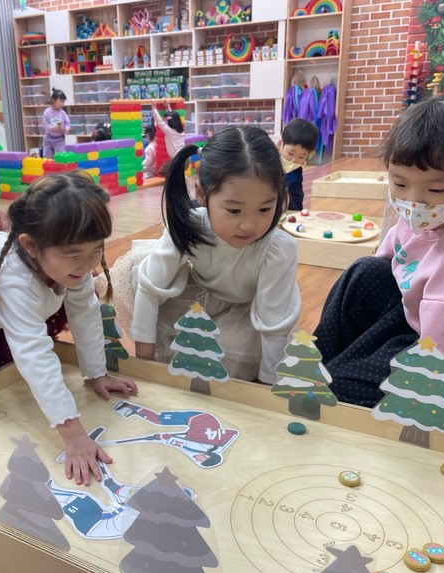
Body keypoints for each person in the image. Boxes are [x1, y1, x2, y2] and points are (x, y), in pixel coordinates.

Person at [313, 94, 444, 427]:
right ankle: (321, 364)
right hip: (422, 318)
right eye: (399, 183)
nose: (415, 202)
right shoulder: (427, 212)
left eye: (435, 190)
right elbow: (390, 258)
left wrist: (422, 409)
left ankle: (336, 379)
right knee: (364, 270)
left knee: (340, 389)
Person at [0, 171, 138, 485]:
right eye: (73, 254)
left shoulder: (69, 265)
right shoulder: (13, 280)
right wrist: (73, 435)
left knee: (67, 303)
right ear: (30, 245)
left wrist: (97, 373)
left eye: (96, 249)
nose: (86, 264)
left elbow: (85, 313)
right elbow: (34, 355)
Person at [98, 125, 301, 383]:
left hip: (249, 310)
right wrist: (146, 368)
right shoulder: (189, 226)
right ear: (202, 195)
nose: (249, 226)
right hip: (200, 295)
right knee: (138, 271)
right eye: (234, 211)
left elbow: (273, 326)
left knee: (227, 351)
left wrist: (266, 385)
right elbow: (150, 290)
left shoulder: (277, 249)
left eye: (264, 209)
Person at [278, 118, 318, 211]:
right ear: (280, 144)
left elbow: (296, 194)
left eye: (301, 157)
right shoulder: (268, 162)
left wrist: (296, 214)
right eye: (290, 153)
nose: (294, 160)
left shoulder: (296, 169)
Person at [151, 98, 185, 176]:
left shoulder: (170, 132)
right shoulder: (180, 131)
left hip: (177, 160)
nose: (165, 121)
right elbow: (171, 117)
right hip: (184, 158)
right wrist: (167, 106)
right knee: (174, 172)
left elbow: (159, 122)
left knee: (163, 171)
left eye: (166, 120)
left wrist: (154, 107)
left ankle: (173, 180)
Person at [42, 88, 70, 157]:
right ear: (53, 100)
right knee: (47, 156)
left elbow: (67, 123)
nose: (62, 104)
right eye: (61, 101)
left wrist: (67, 129)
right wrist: (53, 128)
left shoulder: (63, 113)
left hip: (59, 139)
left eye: (63, 102)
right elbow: (45, 125)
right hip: (48, 138)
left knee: (62, 155)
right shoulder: (47, 112)